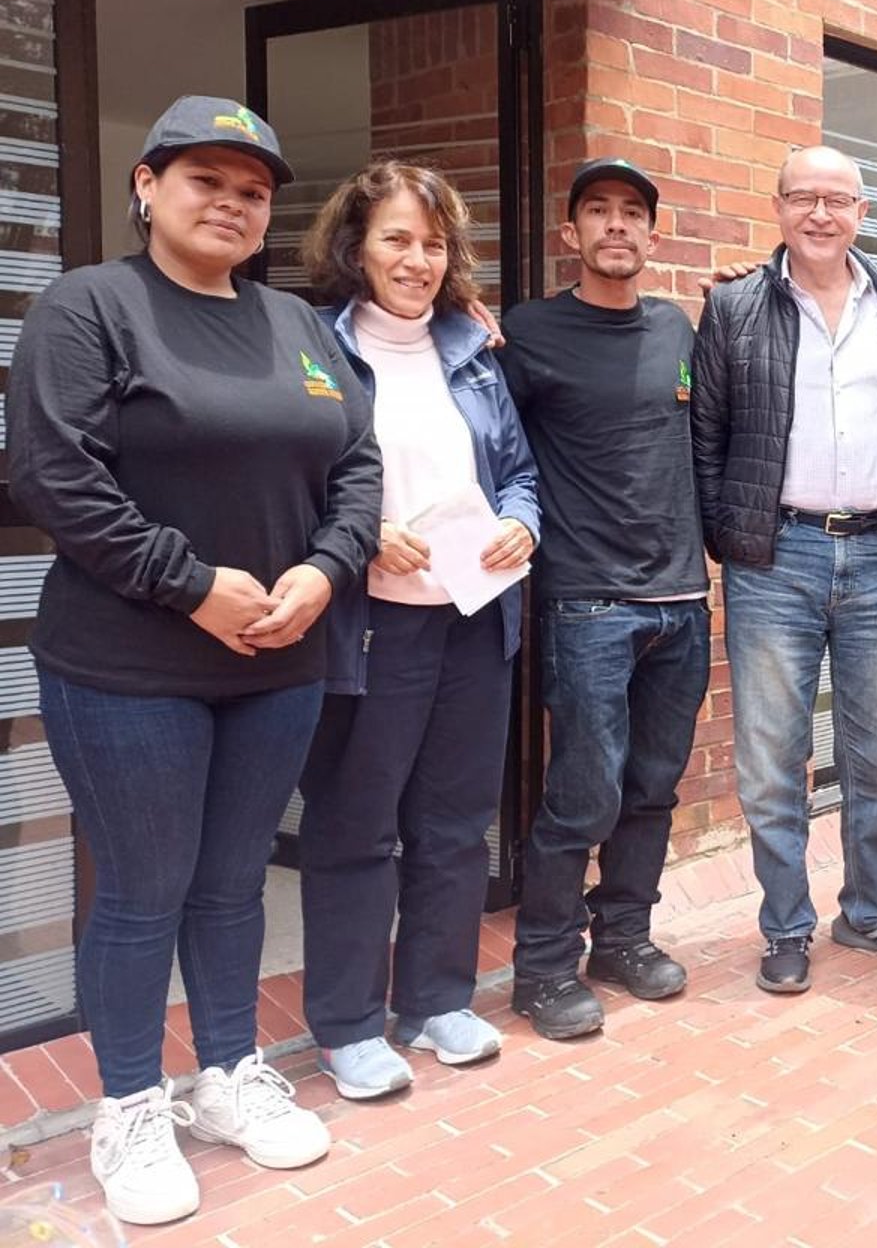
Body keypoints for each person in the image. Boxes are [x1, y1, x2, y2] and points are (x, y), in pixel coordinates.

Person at [6, 97, 381, 1225]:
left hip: (277, 660)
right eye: (204, 179)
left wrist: (326, 570)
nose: (230, 203)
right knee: (143, 889)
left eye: (252, 190)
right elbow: (53, 474)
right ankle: (129, 1103)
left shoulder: (297, 325)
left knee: (231, 884)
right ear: (147, 185)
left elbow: (358, 464)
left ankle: (226, 1075)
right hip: (128, 667)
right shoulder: (91, 307)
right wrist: (191, 585)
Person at [296, 162, 539, 1097]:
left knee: (455, 823)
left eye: (433, 243)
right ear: (356, 246)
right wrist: (357, 537)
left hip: (473, 620)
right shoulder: (313, 347)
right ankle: (348, 1026)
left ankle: (435, 1001)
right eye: (396, 238)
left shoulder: (471, 350)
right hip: (370, 629)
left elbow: (518, 471)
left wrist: (525, 523)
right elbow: (290, 480)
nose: (417, 259)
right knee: (357, 826)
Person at [691, 145, 877, 994]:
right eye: (804, 197)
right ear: (778, 207)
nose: (821, 214)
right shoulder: (734, 306)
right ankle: (786, 926)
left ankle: (870, 911)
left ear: (863, 213)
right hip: (776, 557)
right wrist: (731, 538)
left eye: (838, 200)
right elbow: (707, 435)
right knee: (772, 759)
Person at [499, 158, 712, 1038]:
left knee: (653, 788)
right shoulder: (526, 332)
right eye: (598, 211)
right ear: (571, 233)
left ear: (653, 236)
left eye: (632, 212)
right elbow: (491, 442)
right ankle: (543, 968)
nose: (616, 224)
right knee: (583, 795)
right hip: (586, 602)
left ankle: (623, 937)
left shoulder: (677, 329)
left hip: (684, 599)